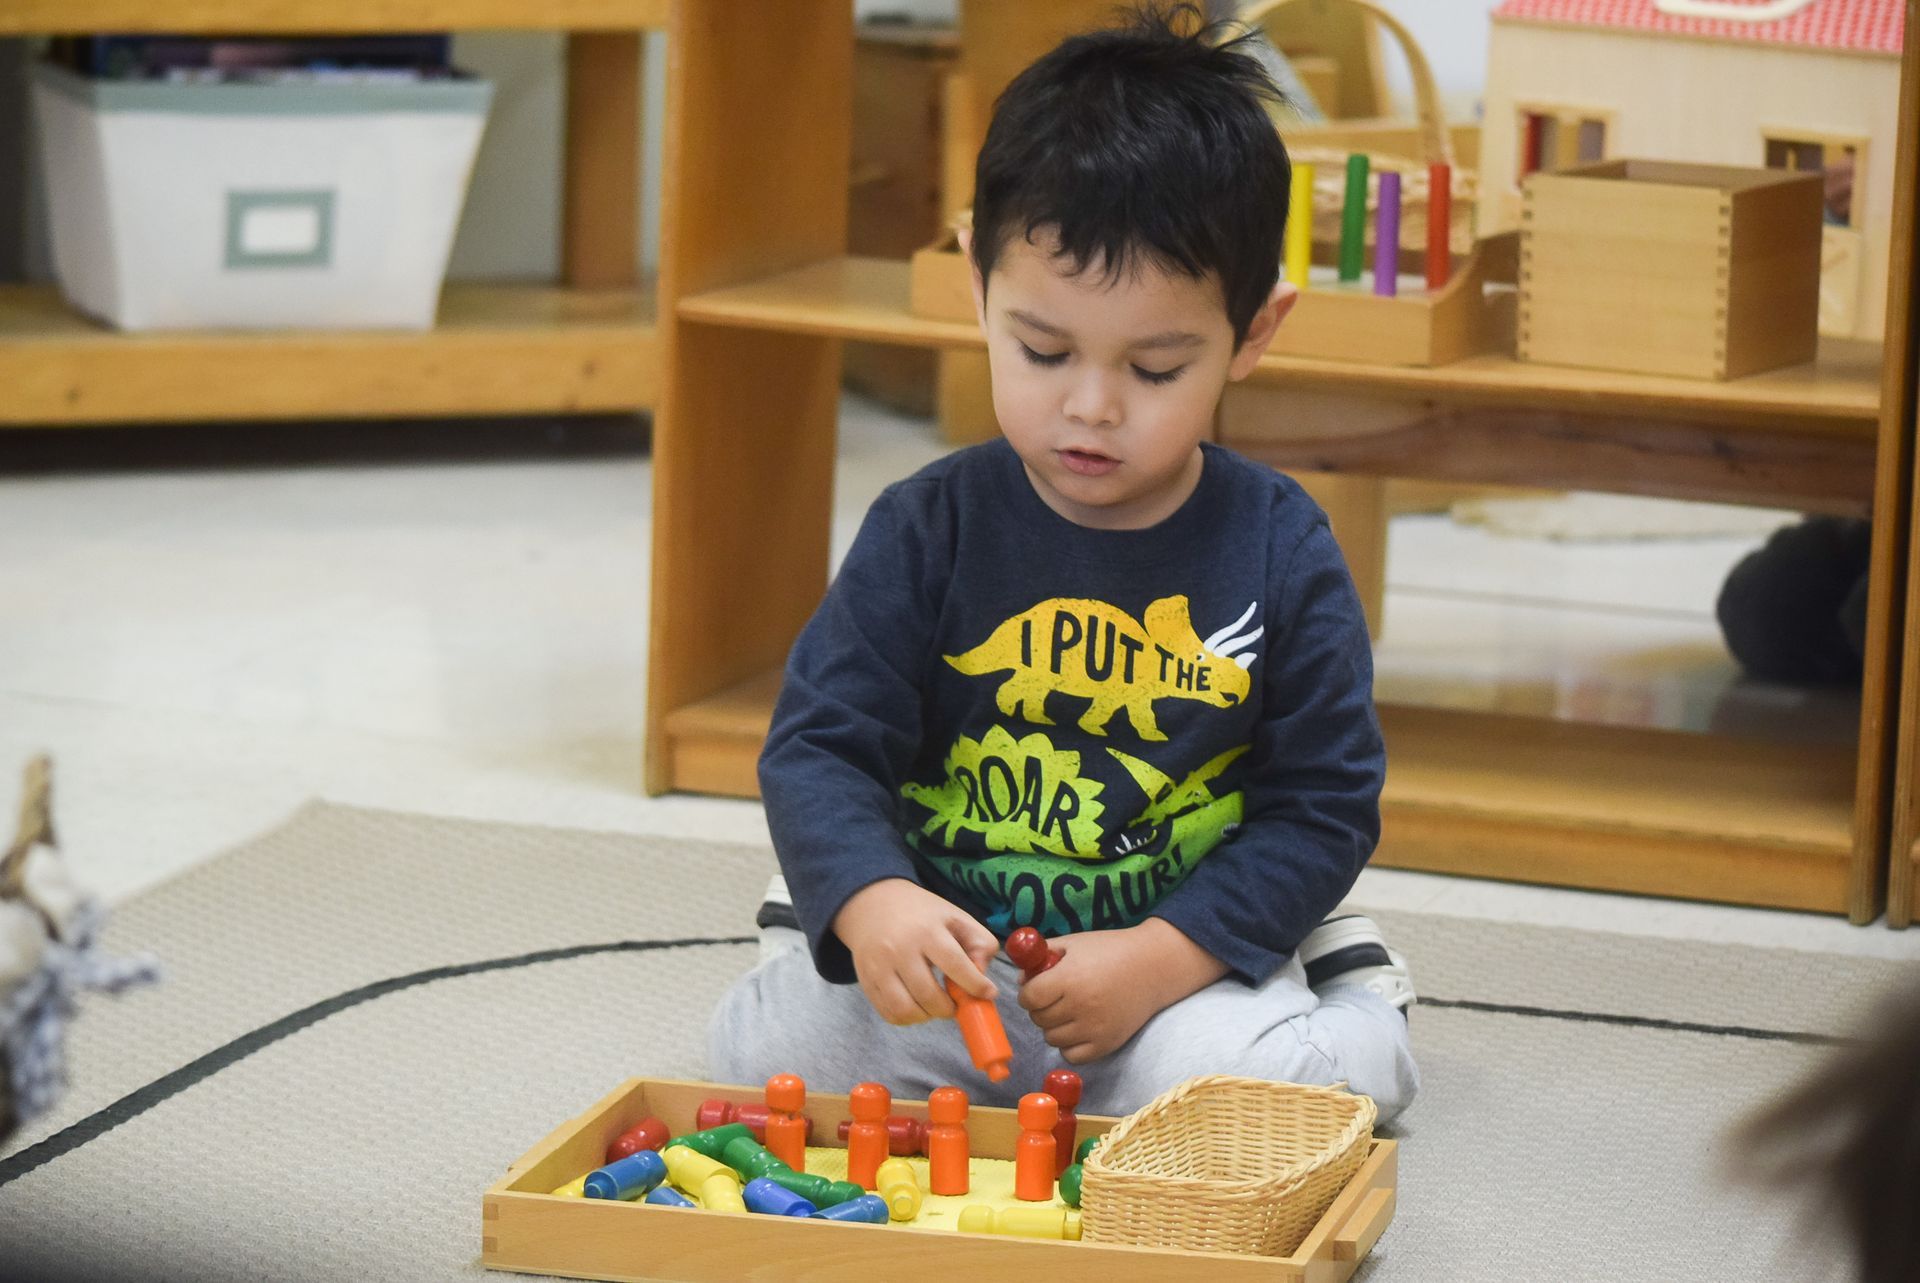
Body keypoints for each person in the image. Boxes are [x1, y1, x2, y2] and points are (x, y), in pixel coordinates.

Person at [708, 3, 1417, 1123]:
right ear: (977, 288)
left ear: (1256, 331)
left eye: (1156, 366)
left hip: (1172, 970)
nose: (1090, 406)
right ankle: (830, 901)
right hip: (958, 963)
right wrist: (877, 899)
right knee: (764, 1059)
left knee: (1272, 1095)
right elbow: (819, 747)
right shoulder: (925, 526)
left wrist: (1162, 958)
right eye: (1042, 350)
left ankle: (1346, 985)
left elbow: (1324, 803)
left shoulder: (1282, 548)